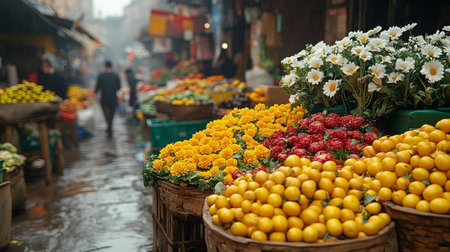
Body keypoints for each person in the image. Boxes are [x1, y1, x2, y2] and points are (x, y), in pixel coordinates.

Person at [95, 61, 121, 138]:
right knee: (112, 115)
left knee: (107, 115)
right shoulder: (116, 75)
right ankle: (110, 127)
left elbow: (97, 87)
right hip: (113, 98)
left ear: (105, 66)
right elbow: (119, 87)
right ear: (111, 66)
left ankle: (109, 127)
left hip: (104, 99)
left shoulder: (101, 76)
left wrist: (95, 93)